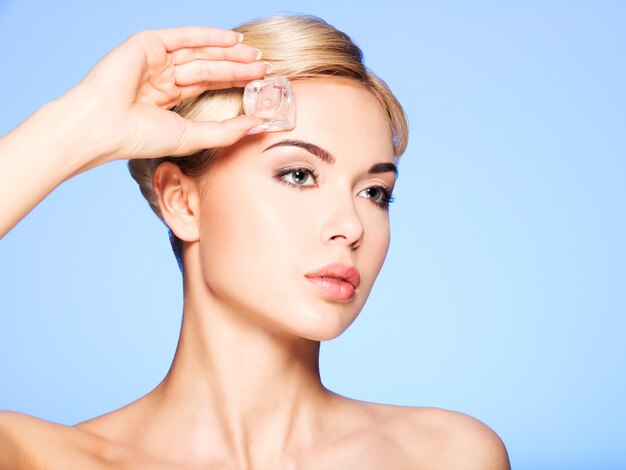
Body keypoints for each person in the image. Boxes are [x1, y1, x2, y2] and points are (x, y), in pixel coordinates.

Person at [0, 15, 510, 469]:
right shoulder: (41, 458)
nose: (351, 226)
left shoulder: (449, 456)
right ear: (182, 201)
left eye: (375, 192)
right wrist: (78, 125)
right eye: (298, 174)